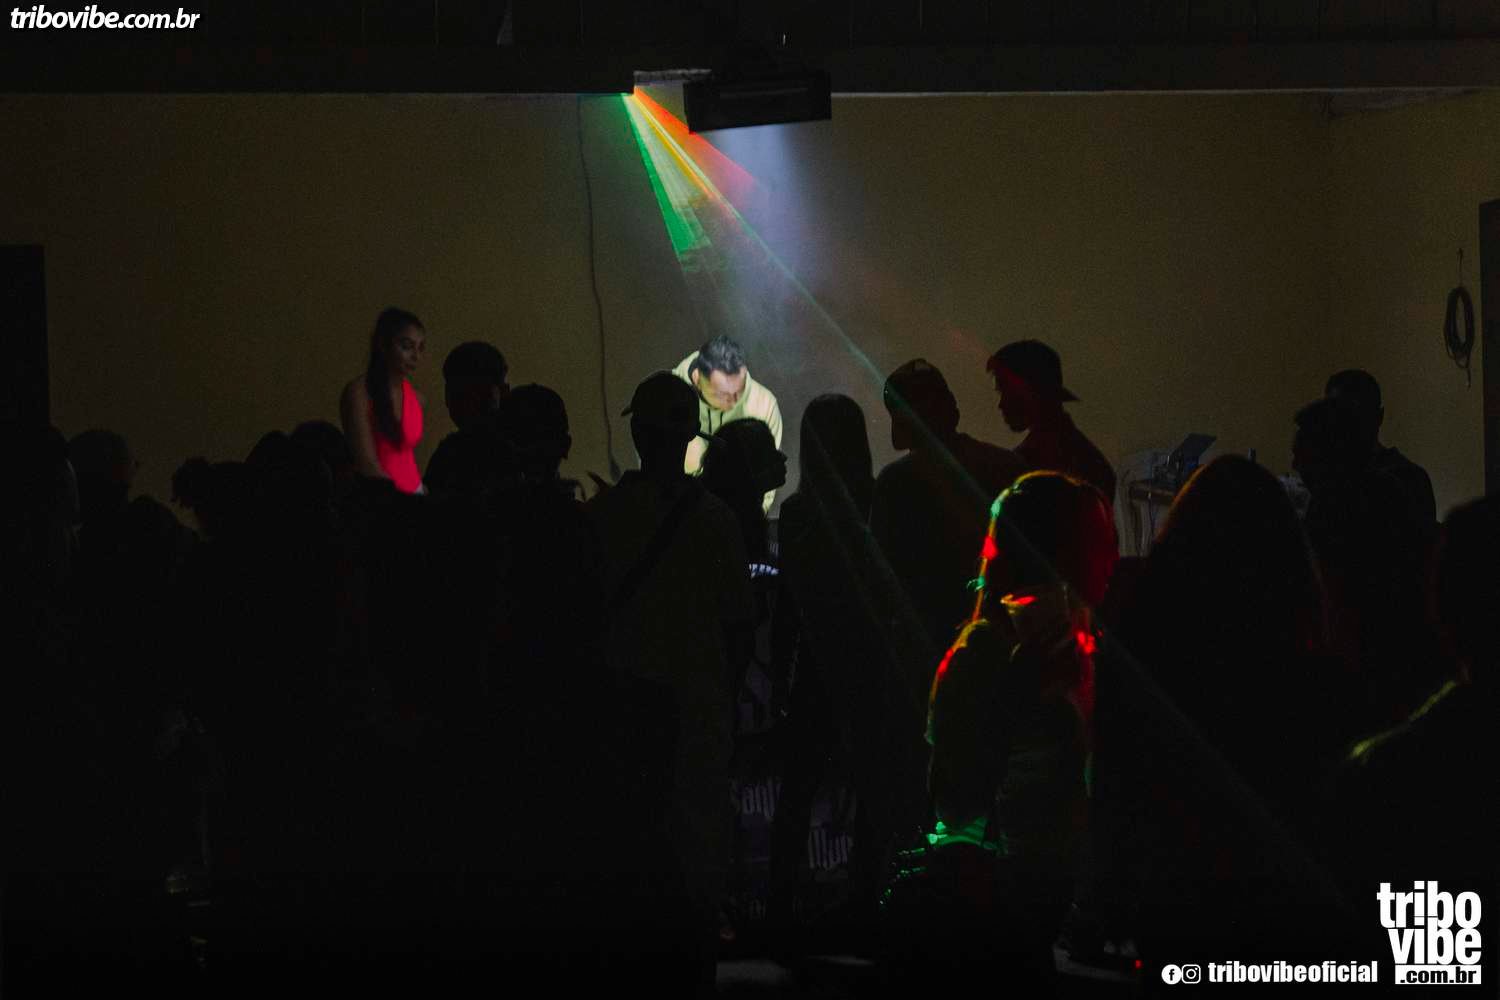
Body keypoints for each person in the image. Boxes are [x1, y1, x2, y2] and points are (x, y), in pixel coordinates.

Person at [585, 371, 757, 995]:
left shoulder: (601, 518)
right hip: (697, 713)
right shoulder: (716, 521)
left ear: (636, 432)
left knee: (629, 856)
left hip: (620, 712)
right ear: (690, 434)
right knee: (696, 859)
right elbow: (739, 625)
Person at [769, 394, 927, 948]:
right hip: (870, 667)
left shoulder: (797, 512)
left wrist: (779, 675)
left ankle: (779, 909)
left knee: (797, 793)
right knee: (873, 798)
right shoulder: (878, 500)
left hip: (816, 667)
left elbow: (789, 607)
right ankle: (867, 904)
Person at [871, 358, 1025, 692]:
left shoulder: (895, 484)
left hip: (928, 651)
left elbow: (882, 578)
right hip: (1004, 642)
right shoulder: (1006, 466)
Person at [987, 339, 1115, 501]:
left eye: (1007, 391)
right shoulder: (1090, 460)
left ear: (1032, 391)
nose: (1001, 404)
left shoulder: (1032, 465)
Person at [670, 335, 783, 512]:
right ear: (697, 379)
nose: (733, 401)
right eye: (722, 394)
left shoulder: (763, 404)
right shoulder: (669, 400)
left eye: (740, 390)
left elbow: (767, 481)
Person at [1324, 368, 1437, 530]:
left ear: (1378, 416)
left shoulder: (1409, 479)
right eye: (1339, 415)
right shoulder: (1326, 478)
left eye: (1356, 413)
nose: (1348, 425)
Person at [340, 308, 427, 494]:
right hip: (378, 498)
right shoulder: (359, 393)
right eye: (407, 346)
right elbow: (366, 462)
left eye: (420, 348)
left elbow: (409, 458)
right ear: (383, 344)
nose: (416, 356)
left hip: (415, 493)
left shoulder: (416, 398)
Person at [425, 341, 510, 495]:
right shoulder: (449, 454)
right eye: (459, 394)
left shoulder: (449, 455)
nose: (468, 403)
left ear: (503, 391)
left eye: (477, 391)